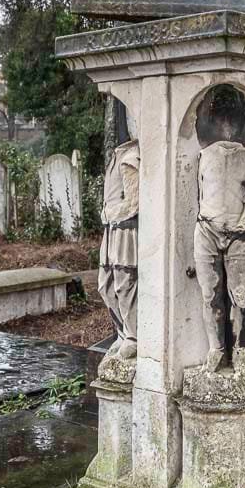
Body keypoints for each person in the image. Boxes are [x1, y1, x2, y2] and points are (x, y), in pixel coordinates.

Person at [194, 90, 245, 372]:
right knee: (210, 294)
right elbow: (199, 196)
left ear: (239, 124)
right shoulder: (203, 156)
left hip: (240, 235)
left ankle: (240, 349)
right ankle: (215, 348)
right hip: (207, 233)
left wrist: (244, 221)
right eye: (221, 120)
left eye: (231, 120)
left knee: (240, 296)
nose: (226, 126)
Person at [98, 138, 140, 360]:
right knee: (105, 286)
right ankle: (122, 332)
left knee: (125, 284)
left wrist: (110, 214)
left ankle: (133, 336)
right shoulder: (117, 155)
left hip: (125, 230)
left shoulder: (132, 156)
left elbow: (134, 203)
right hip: (111, 229)